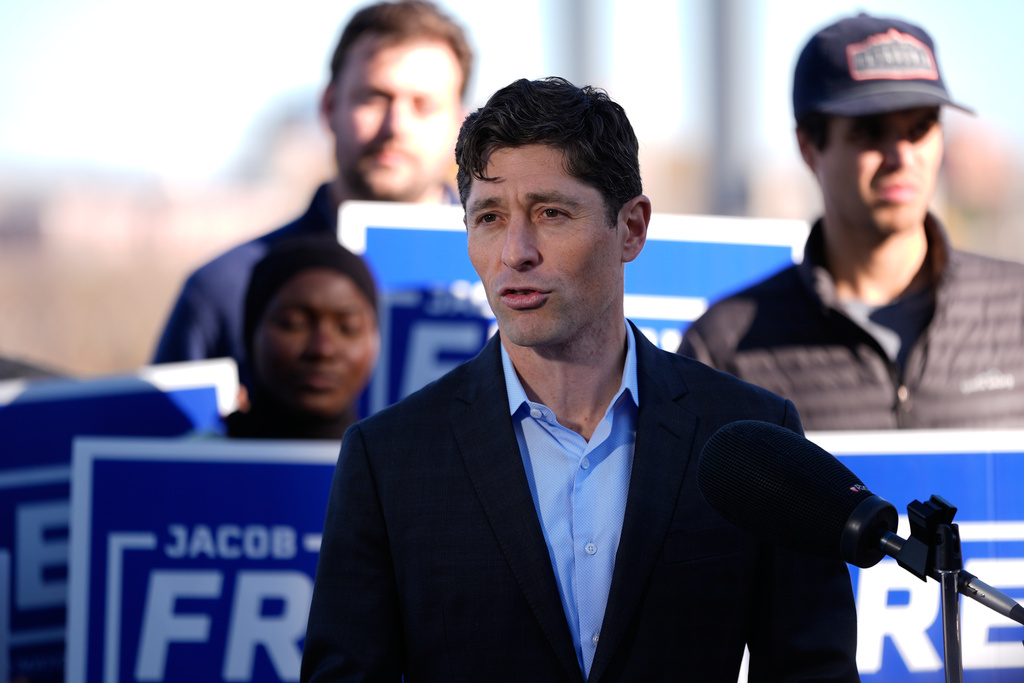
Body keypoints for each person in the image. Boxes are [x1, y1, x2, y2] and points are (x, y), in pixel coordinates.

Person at [301, 77, 859, 682]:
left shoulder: (749, 436)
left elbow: (814, 672)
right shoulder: (390, 459)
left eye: (551, 213)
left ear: (632, 229)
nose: (516, 251)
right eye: (489, 217)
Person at [678, 12, 1024, 430]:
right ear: (808, 146)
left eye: (920, 128)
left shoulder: (1015, 310)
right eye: (870, 131)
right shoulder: (723, 347)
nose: (902, 158)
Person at [153, 0, 473, 390]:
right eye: (373, 98)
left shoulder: (511, 277)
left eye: (423, 105)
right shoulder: (226, 290)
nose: (396, 127)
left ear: (461, 124)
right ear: (329, 106)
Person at [223, 235, 379, 439]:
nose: (322, 349)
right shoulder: (195, 461)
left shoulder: (400, 465)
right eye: (293, 324)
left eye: (347, 327)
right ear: (251, 332)